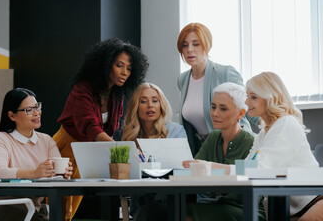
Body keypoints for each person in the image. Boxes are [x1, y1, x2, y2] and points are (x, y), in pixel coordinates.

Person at [183, 72, 320, 221]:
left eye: (253, 97)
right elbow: (247, 169)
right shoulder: (265, 132)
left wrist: (211, 167)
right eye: (247, 96)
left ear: (270, 97)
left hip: (311, 204)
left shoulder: (286, 124)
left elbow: (258, 170)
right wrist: (208, 168)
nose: (247, 102)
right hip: (286, 208)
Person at [53, 38, 148, 220]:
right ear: (105, 65)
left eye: (129, 68)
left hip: (88, 151)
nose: (124, 72)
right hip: (65, 150)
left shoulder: (116, 94)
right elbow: (92, 128)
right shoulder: (82, 90)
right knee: (57, 207)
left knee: (71, 209)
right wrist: (124, 152)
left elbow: (107, 132)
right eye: (119, 65)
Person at [0, 88, 73, 221]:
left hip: (31, 211)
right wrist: (34, 173)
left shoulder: (46, 140)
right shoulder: (0, 139)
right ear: (12, 116)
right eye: (29, 110)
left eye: (37, 107)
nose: (37, 113)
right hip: (0, 208)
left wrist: (63, 174)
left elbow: (55, 174)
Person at [182, 82, 265, 221]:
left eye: (223, 109)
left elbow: (252, 187)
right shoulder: (213, 138)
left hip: (246, 209)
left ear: (240, 113)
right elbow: (194, 173)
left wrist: (209, 170)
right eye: (213, 107)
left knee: (186, 212)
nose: (215, 114)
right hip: (216, 205)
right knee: (152, 211)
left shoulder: (252, 142)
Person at [177, 22, 259, 156]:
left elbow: (248, 106)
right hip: (203, 149)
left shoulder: (226, 73)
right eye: (185, 45)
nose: (189, 49)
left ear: (207, 45)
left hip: (233, 145)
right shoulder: (182, 79)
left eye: (196, 44)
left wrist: (273, 124)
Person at [122, 82, 187, 221]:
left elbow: (183, 170)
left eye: (155, 101)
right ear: (135, 107)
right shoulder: (129, 136)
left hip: (169, 200)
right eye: (143, 101)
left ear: (161, 105)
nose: (150, 105)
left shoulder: (175, 131)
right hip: (139, 202)